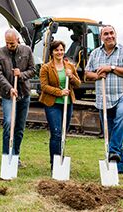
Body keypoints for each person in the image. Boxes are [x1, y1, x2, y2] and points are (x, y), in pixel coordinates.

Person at [85, 25, 123, 174]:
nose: (109, 36)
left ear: (116, 34)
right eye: (105, 34)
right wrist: (96, 76)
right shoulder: (95, 54)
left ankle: (113, 151)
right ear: (101, 37)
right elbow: (87, 74)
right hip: (104, 99)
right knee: (111, 132)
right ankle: (120, 168)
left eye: (111, 33)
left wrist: (111, 68)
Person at [0, 29, 35, 167]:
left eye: (12, 43)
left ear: (18, 40)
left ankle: (16, 157)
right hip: (8, 95)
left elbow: (33, 70)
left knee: (19, 128)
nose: (9, 45)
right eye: (7, 43)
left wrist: (21, 75)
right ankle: (6, 156)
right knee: (8, 123)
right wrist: (9, 88)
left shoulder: (27, 51)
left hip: (24, 94)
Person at [39, 40, 81, 170]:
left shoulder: (70, 66)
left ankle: (61, 161)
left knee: (63, 133)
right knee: (56, 133)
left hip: (67, 104)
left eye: (61, 50)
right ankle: (55, 164)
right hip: (52, 104)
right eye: (57, 50)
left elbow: (78, 84)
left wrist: (72, 77)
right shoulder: (46, 67)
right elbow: (44, 86)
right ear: (52, 52)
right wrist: (59, 92)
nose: (59, 52)